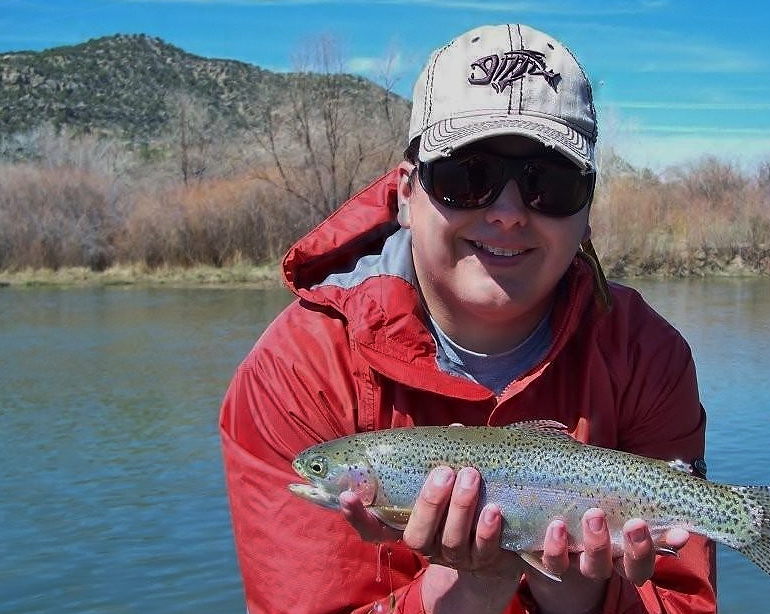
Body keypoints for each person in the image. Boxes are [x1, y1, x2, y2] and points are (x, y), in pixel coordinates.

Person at [220, 23, 716, 614]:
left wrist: (584, 595)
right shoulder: (297, 372)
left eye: (550, 184)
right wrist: (462, 593)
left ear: (586, 210)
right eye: (466, 177)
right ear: (405, 193)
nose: (507, 213)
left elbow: (684, 601)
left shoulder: (648, 356)